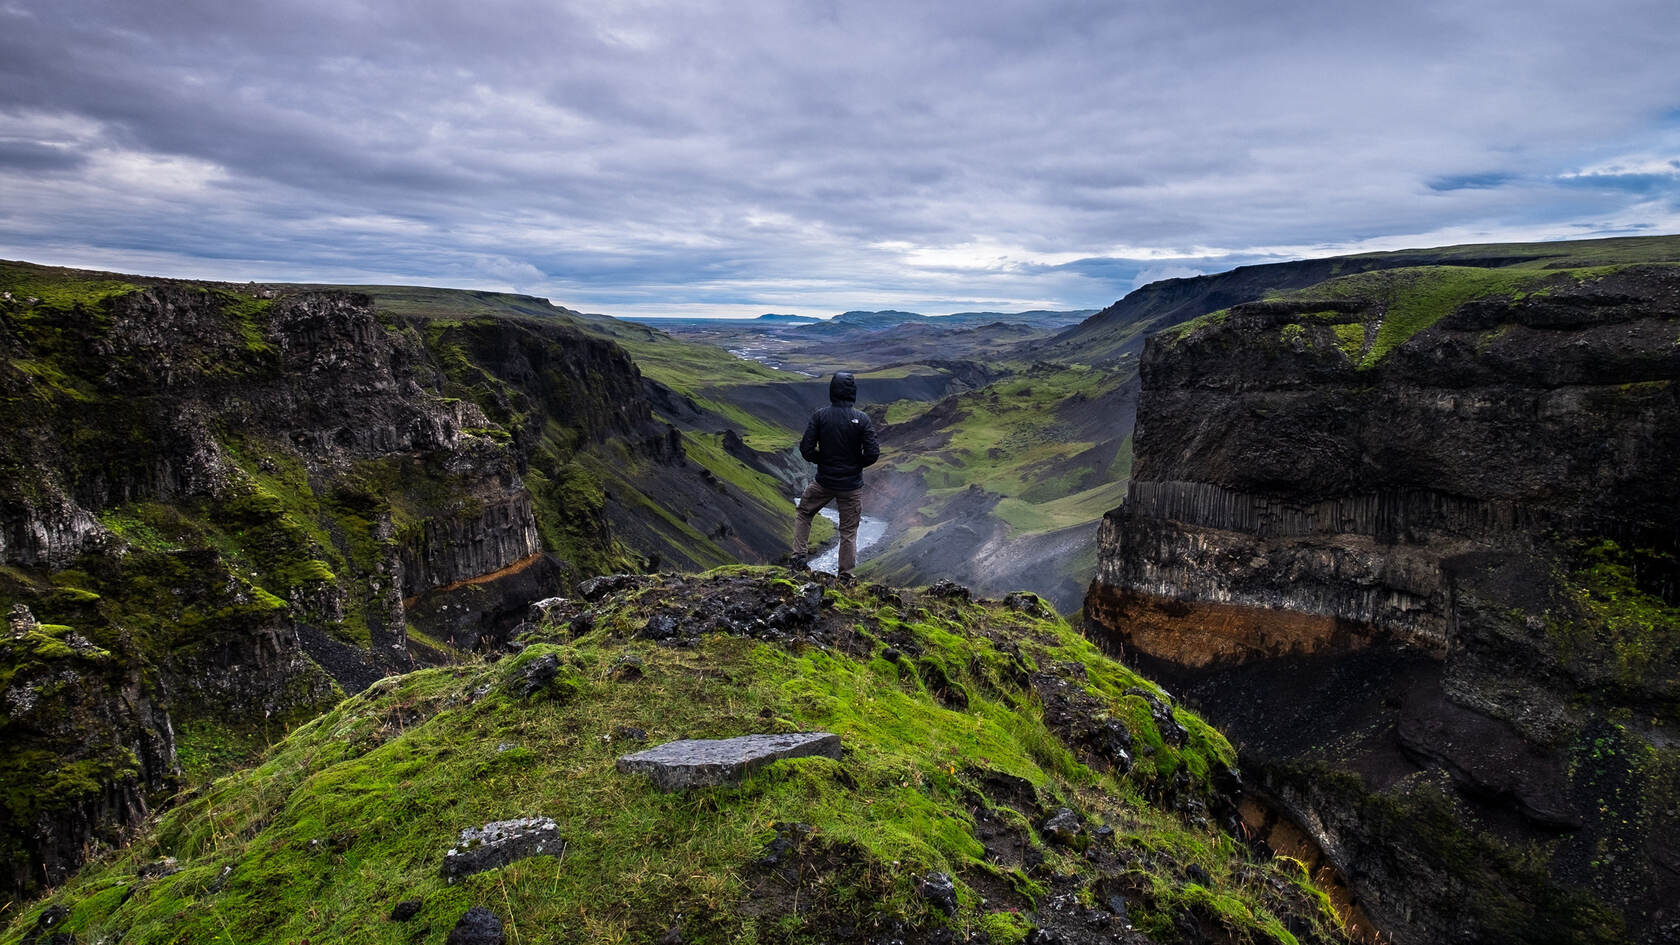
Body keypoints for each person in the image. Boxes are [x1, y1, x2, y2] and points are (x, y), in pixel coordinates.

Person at [792, 371, 880, 578]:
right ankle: (846, 575)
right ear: (853, 393)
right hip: (851, 486)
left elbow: (806, 449)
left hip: (823, 482)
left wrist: (821, 460)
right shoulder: (862, 419)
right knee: (848, 531)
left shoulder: (820, 416)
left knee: (804, 513)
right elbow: (873, 453)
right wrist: (855, 464)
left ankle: (798, 559)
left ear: (832, 390)